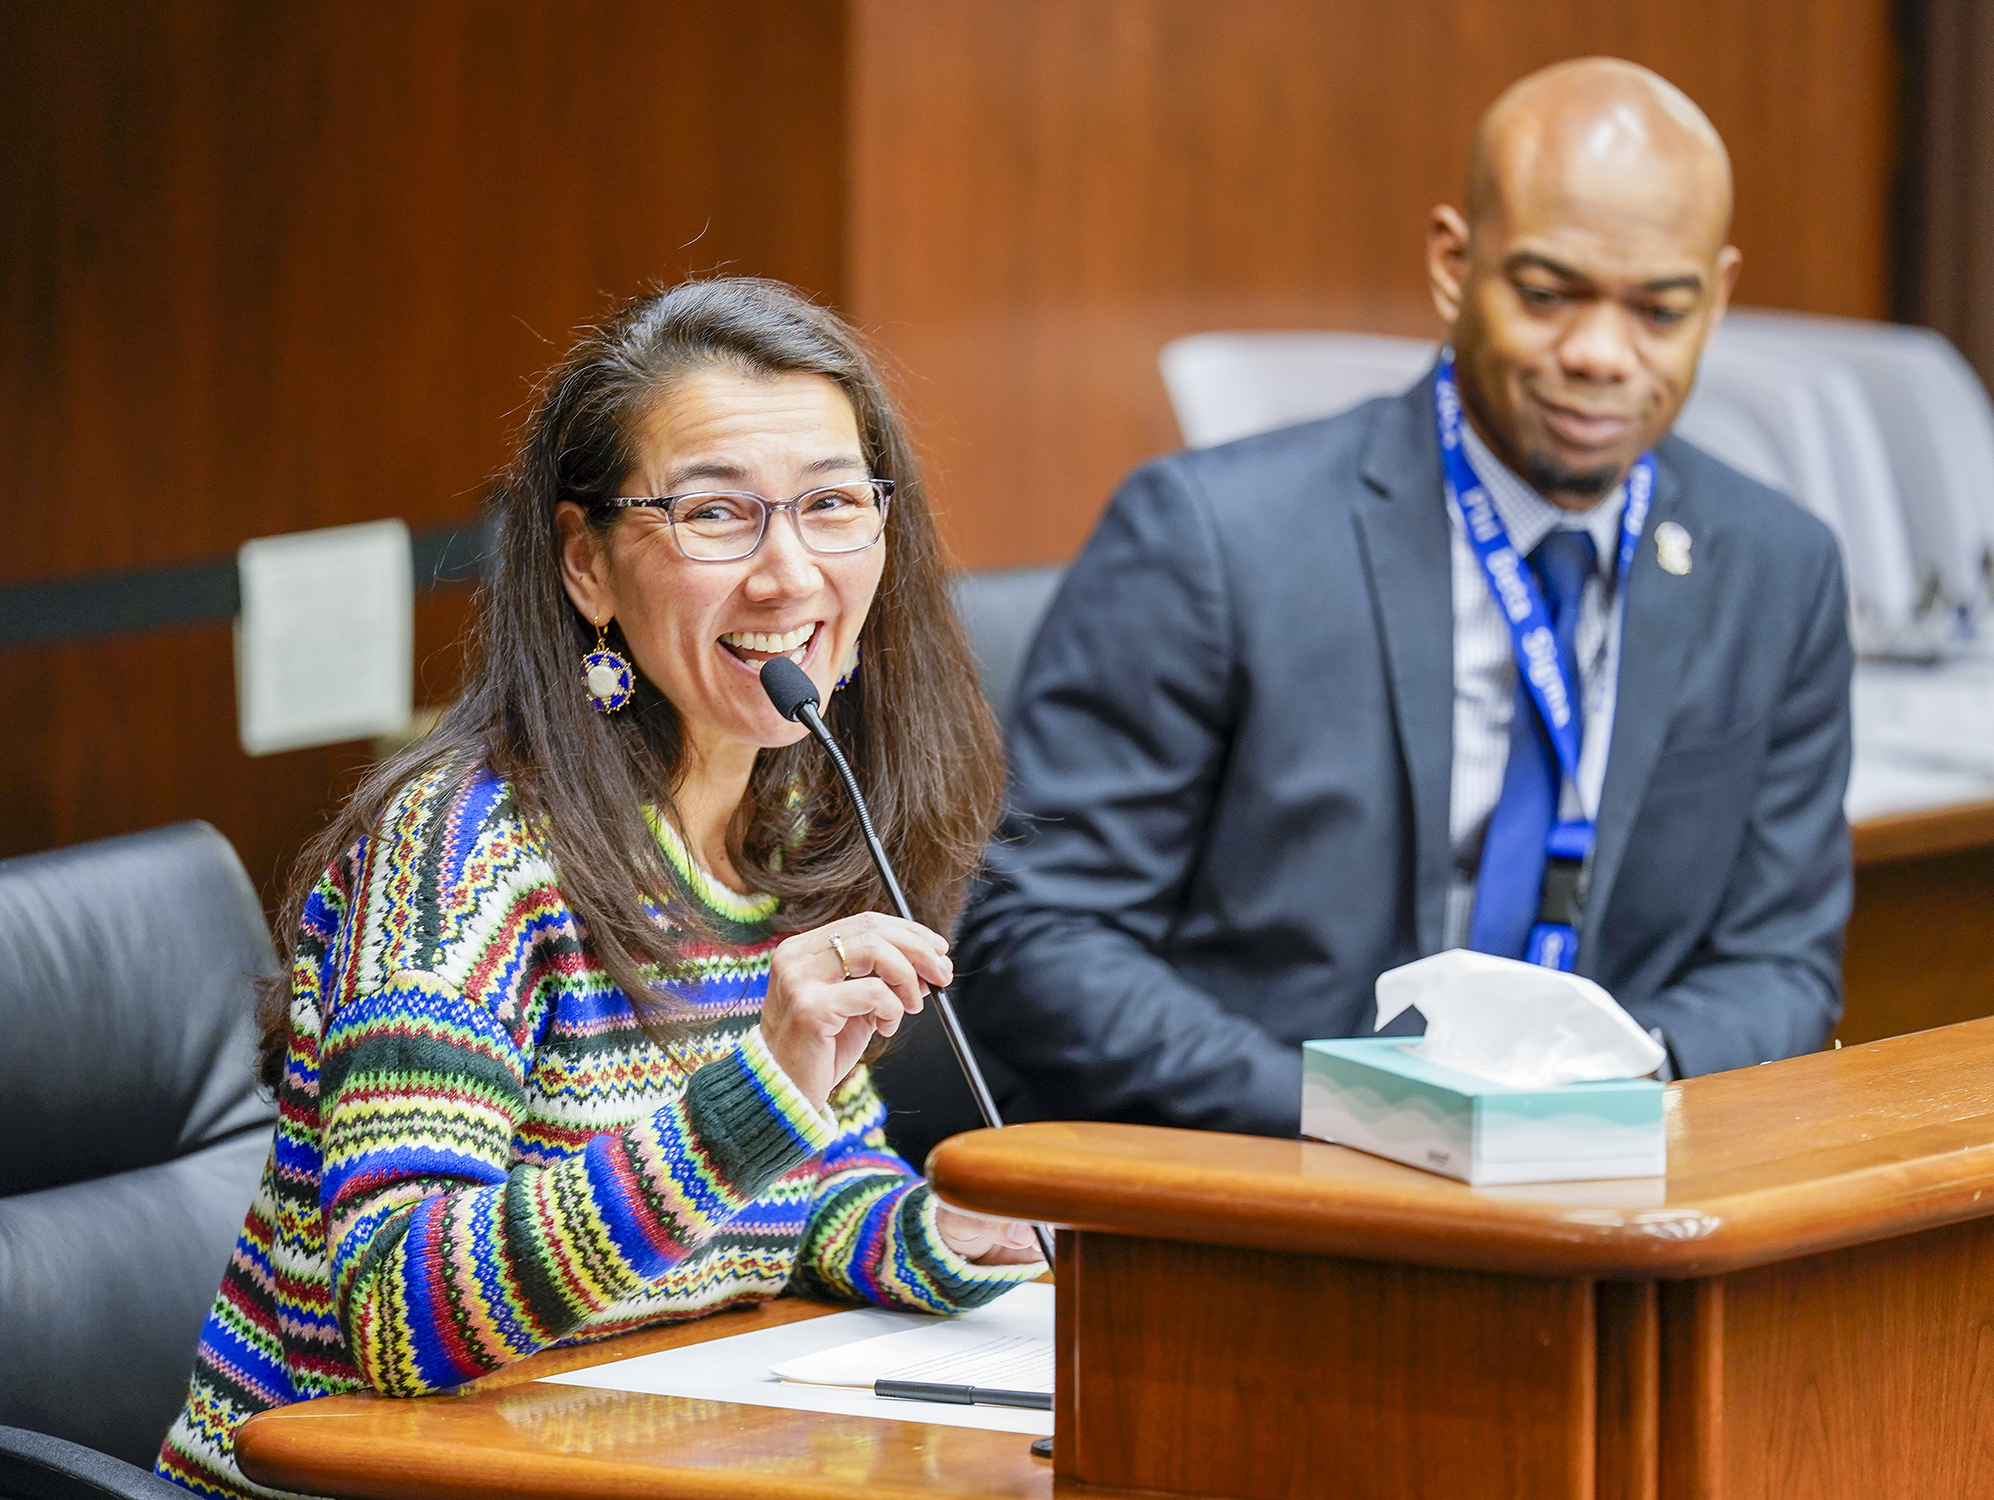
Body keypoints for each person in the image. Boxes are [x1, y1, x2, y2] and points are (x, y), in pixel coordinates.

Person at [158, 278, 1042, 1500]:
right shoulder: (462, 853)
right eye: (716, 515)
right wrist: (756, 1096)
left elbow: (807, 1193)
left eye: (835, 505)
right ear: (588, 563)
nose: (790, 575)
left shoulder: (790, 813)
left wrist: (940, 1233)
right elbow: (395, 1308)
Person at [956, 58, 1853, 1136]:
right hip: (1255, 1176)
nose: (1602, 355)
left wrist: (1625, 1089)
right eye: (1548, 293)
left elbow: (1781, 961)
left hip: (1594, 1191)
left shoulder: (1778, 568)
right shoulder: (1212, 538)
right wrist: (1360, 1119)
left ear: (1719, 296)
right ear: (1452, 264)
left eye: (1660, 310)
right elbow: (1040, 939)